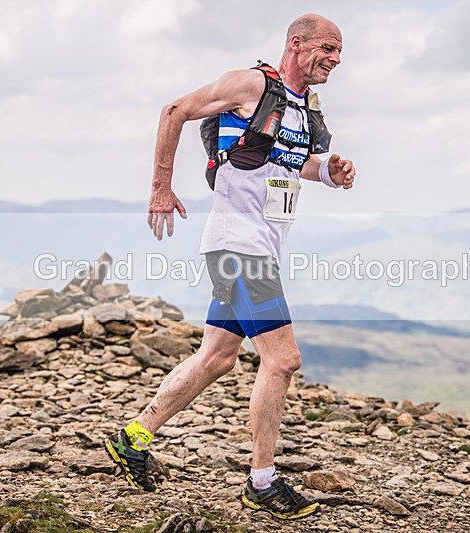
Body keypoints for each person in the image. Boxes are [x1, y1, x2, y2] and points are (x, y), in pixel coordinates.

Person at [105, 13, 356, 520]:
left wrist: (329, 171)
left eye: (339, 53)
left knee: (217, 357)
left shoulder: (305, 107)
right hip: (240, 249)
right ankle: (261, 483)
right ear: (296, 43)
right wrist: (159, 186)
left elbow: (294, 163)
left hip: (253, 249)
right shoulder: (250, 84)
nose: (333, 59)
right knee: (283, 360)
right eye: (326, 48)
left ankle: (134, 436)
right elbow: (175, 110)